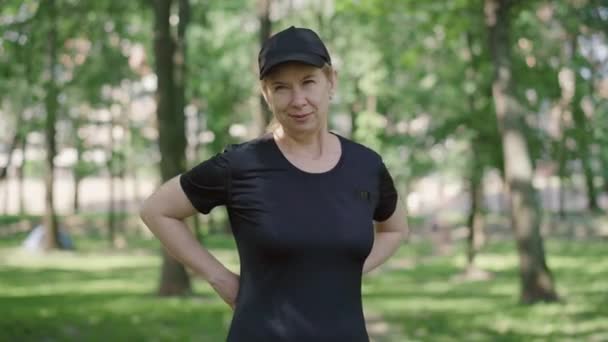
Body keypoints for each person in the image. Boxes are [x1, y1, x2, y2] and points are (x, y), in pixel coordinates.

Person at [140, 25, 408, 342]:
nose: (298, 100)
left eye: (308, 82)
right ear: (267, 94)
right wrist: (220, 278)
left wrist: (346, 270)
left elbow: (395, 229)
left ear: (330, 81)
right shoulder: (243, 164)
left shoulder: (366, 165)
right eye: (282, 87)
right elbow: (157, 210)